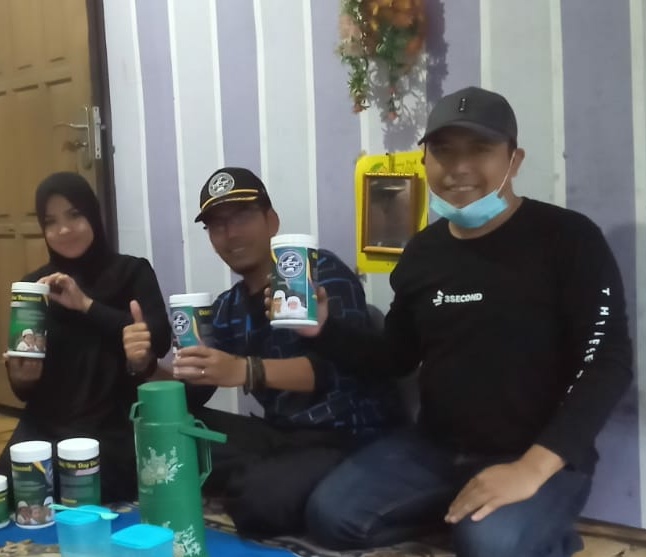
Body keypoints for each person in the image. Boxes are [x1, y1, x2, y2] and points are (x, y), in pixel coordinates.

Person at [290, 87, 633, 556]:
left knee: (490, 545)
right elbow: (395, 356)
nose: (459, 167)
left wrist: (531, 468)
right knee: (330, 518)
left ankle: (527, 531)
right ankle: (465, 515)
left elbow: (607, 363)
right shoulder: (423, 251)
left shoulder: (569, 238)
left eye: (480, 149)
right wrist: (323, 331)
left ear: (514, 160)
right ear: (425, 161)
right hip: (434, 448)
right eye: (444, 151)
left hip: (539, 454)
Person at [123, 167, 402, 538]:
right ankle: (260, 473)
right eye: (217, 225)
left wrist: (244, 370)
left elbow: (334, 373)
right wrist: (145, 366)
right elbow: (192, 392)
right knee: (157, 441)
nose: (231, 234)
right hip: (279, 434)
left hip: (348, 436)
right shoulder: (228, 306)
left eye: (242, 217)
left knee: (257, 505)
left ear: (272, 221)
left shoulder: (318, 273)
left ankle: (272, 479)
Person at [0, 172, 172, 502]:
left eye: (74, 215)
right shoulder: (35, 287)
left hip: (111, 425)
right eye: (51, 222)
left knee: (75, 489)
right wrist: (21, 378)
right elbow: (24, 390)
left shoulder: (131, 272)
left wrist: (86, 305)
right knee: (8, 492)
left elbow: (158, 340)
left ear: (92, 214)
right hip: (45, 424)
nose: (63, 230)